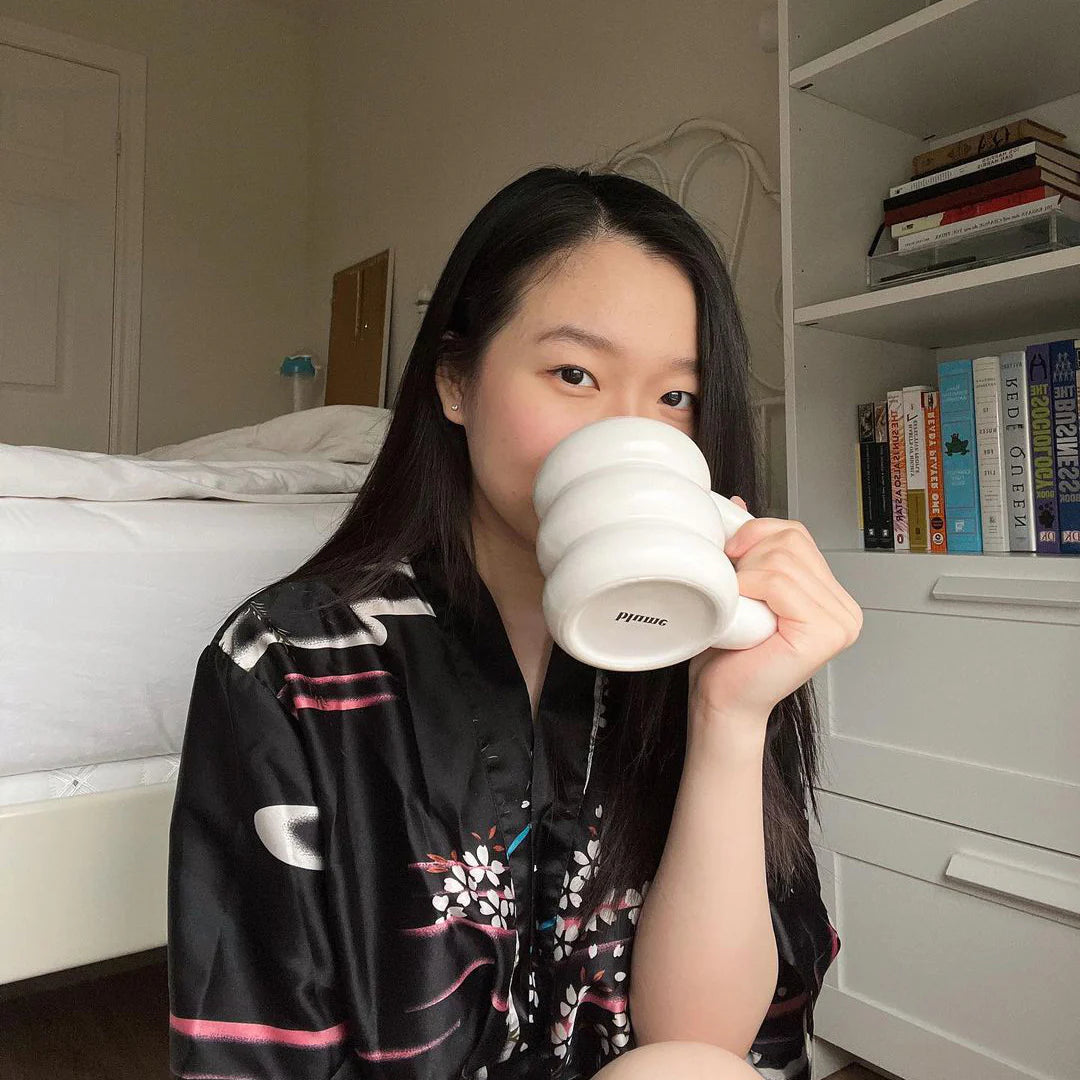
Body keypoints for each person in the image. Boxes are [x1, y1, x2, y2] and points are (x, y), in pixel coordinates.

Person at [167, 166, 860, 1080]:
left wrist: (730, 720)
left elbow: (706, 1047)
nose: (628, 432)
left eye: (675, 398)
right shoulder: (291, 664)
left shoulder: (702, 649)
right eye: (575, 373)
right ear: (455, 380)